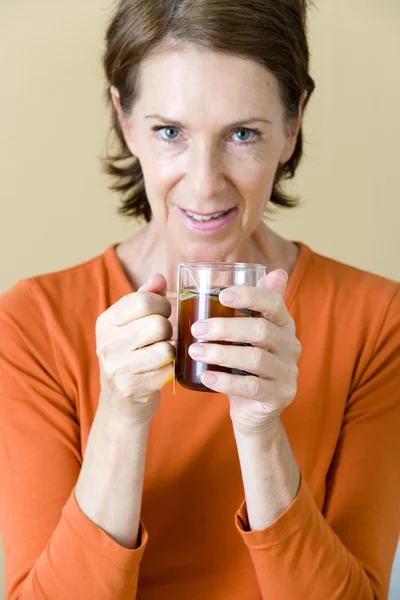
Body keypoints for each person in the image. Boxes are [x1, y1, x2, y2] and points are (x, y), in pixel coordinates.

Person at [0, 0, 399, 598]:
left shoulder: (377, 321)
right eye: (170, 131)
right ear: (125, 120)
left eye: (243, 133)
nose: (205, 184)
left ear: (292, 126)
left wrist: (261, 430)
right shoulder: (34, 323)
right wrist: (120, 416)